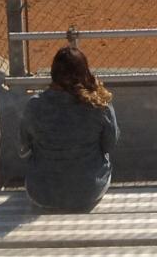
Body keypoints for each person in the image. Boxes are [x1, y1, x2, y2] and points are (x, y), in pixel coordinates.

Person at [19, 46, 119, 212]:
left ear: (53, 73)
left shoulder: (34, 105)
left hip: (42, 194)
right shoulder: (100, 105)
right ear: (84, 71)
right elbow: (109, 146)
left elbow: (24, 149)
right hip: (88, 192)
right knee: (104, 157)